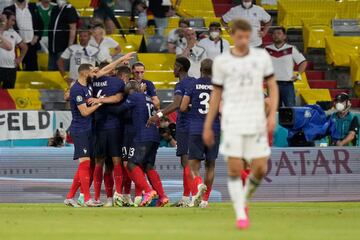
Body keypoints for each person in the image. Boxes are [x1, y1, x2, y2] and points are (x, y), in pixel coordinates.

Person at [203, 19, 278, 229]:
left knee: (260, 169)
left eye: (246, 36)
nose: (243, 39)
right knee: (236, 169)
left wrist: (272, 115)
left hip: (255, 122)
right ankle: (241, 212)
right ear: (233, 36)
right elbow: (217, 95)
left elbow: (272, 88)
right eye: (239, 35)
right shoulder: (222, 62)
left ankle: (244, 198)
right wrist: (209, 124)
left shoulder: (261, 58)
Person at [64, 52, 134, 208]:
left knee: (85, 164)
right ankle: (87, 198)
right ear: (85, 73)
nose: (96, 72)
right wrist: (100, 103)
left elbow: (106, 69)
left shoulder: (88, 83)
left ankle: (70, 197)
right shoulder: (76, 89)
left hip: (88, 129)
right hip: (80, 129)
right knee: (85, 163)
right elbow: (84, 112)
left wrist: (121, 60)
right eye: (93, 71)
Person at [106, 80, 168, 207]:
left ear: (129, 91)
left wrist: (103, 103)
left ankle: (149, 191)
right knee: (149, 167)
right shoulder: (148, 98)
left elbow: (119, 110)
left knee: (131, 164)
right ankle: (162, 196)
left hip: (142, 136)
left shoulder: (133, 97)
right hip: (154, 136)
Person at [147, 57, 195, 207]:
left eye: (174, 66)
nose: (172, 69)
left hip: (185, 125)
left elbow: (176, 104)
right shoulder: (195, 81)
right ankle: (189, 197)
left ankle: (189, 198)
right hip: (197, 125)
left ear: (179, 67)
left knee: (186, 161)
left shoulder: (181, 84)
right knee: (192, 162)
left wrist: (158, 116)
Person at [180, 58, 221, 208]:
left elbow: (183, 107)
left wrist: (194, 107)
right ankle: (205, 200)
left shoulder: (192, 85)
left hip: (196, 128)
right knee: (211, 165)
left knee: (193, 166)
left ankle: (198, 185)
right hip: (214, 129)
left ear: (200, 70)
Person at [89, 62, 125, 207]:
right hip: (114, 126)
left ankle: (99, 197)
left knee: (100, 162)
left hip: (99, 126)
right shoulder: (117, 82)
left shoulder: (91, 82)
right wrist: (102, 100)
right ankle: (116, 196)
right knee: (115, 162)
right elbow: (118, 98)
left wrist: (98, 100)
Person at [265, 27, 307, 107]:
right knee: (274, 111)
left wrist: (298, 75)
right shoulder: (267, 49)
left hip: (287, 84)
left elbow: (303, 62)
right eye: (274, 34)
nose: (276, 35)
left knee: (290, 111)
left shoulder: (291, 48)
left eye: (279, 33)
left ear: (284, 36)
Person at [5, 0, 44, 71]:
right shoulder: (8, 9)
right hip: (15, 46)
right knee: (15, 68)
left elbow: (40, 24)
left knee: (32, 70)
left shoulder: (33, 7)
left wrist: (36, 36)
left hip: (31, 45)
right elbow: (5, 27)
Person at [0, 10, 28, 89]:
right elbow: (8, 47)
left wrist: (20, 58)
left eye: (14, 21)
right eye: (12, 20)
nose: (13, 23)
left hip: (10, 69)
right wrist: (3, 23)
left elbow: (24, 47)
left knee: (9, 94)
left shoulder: (13, 33)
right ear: (6, 19)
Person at [48, 0, 78, 70]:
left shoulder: (70, 9)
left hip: (63, 48)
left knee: (62, 69)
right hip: (52, 47)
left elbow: (73, 28)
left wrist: (69, 46)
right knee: (51, 70)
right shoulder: (55, 9)